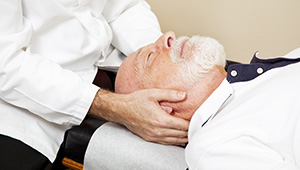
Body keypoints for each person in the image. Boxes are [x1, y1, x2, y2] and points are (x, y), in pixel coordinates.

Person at [0, 1, 189, 169]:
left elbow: (122, 8)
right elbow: (6, 63)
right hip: (20, 107)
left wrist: (159, 60)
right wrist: (117, 107)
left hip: (104, 67)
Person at [115, 31, 300, 169]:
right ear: (160, 110)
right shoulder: (213, 147)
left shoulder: (258, 80)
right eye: (149, 56)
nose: (168, 36)